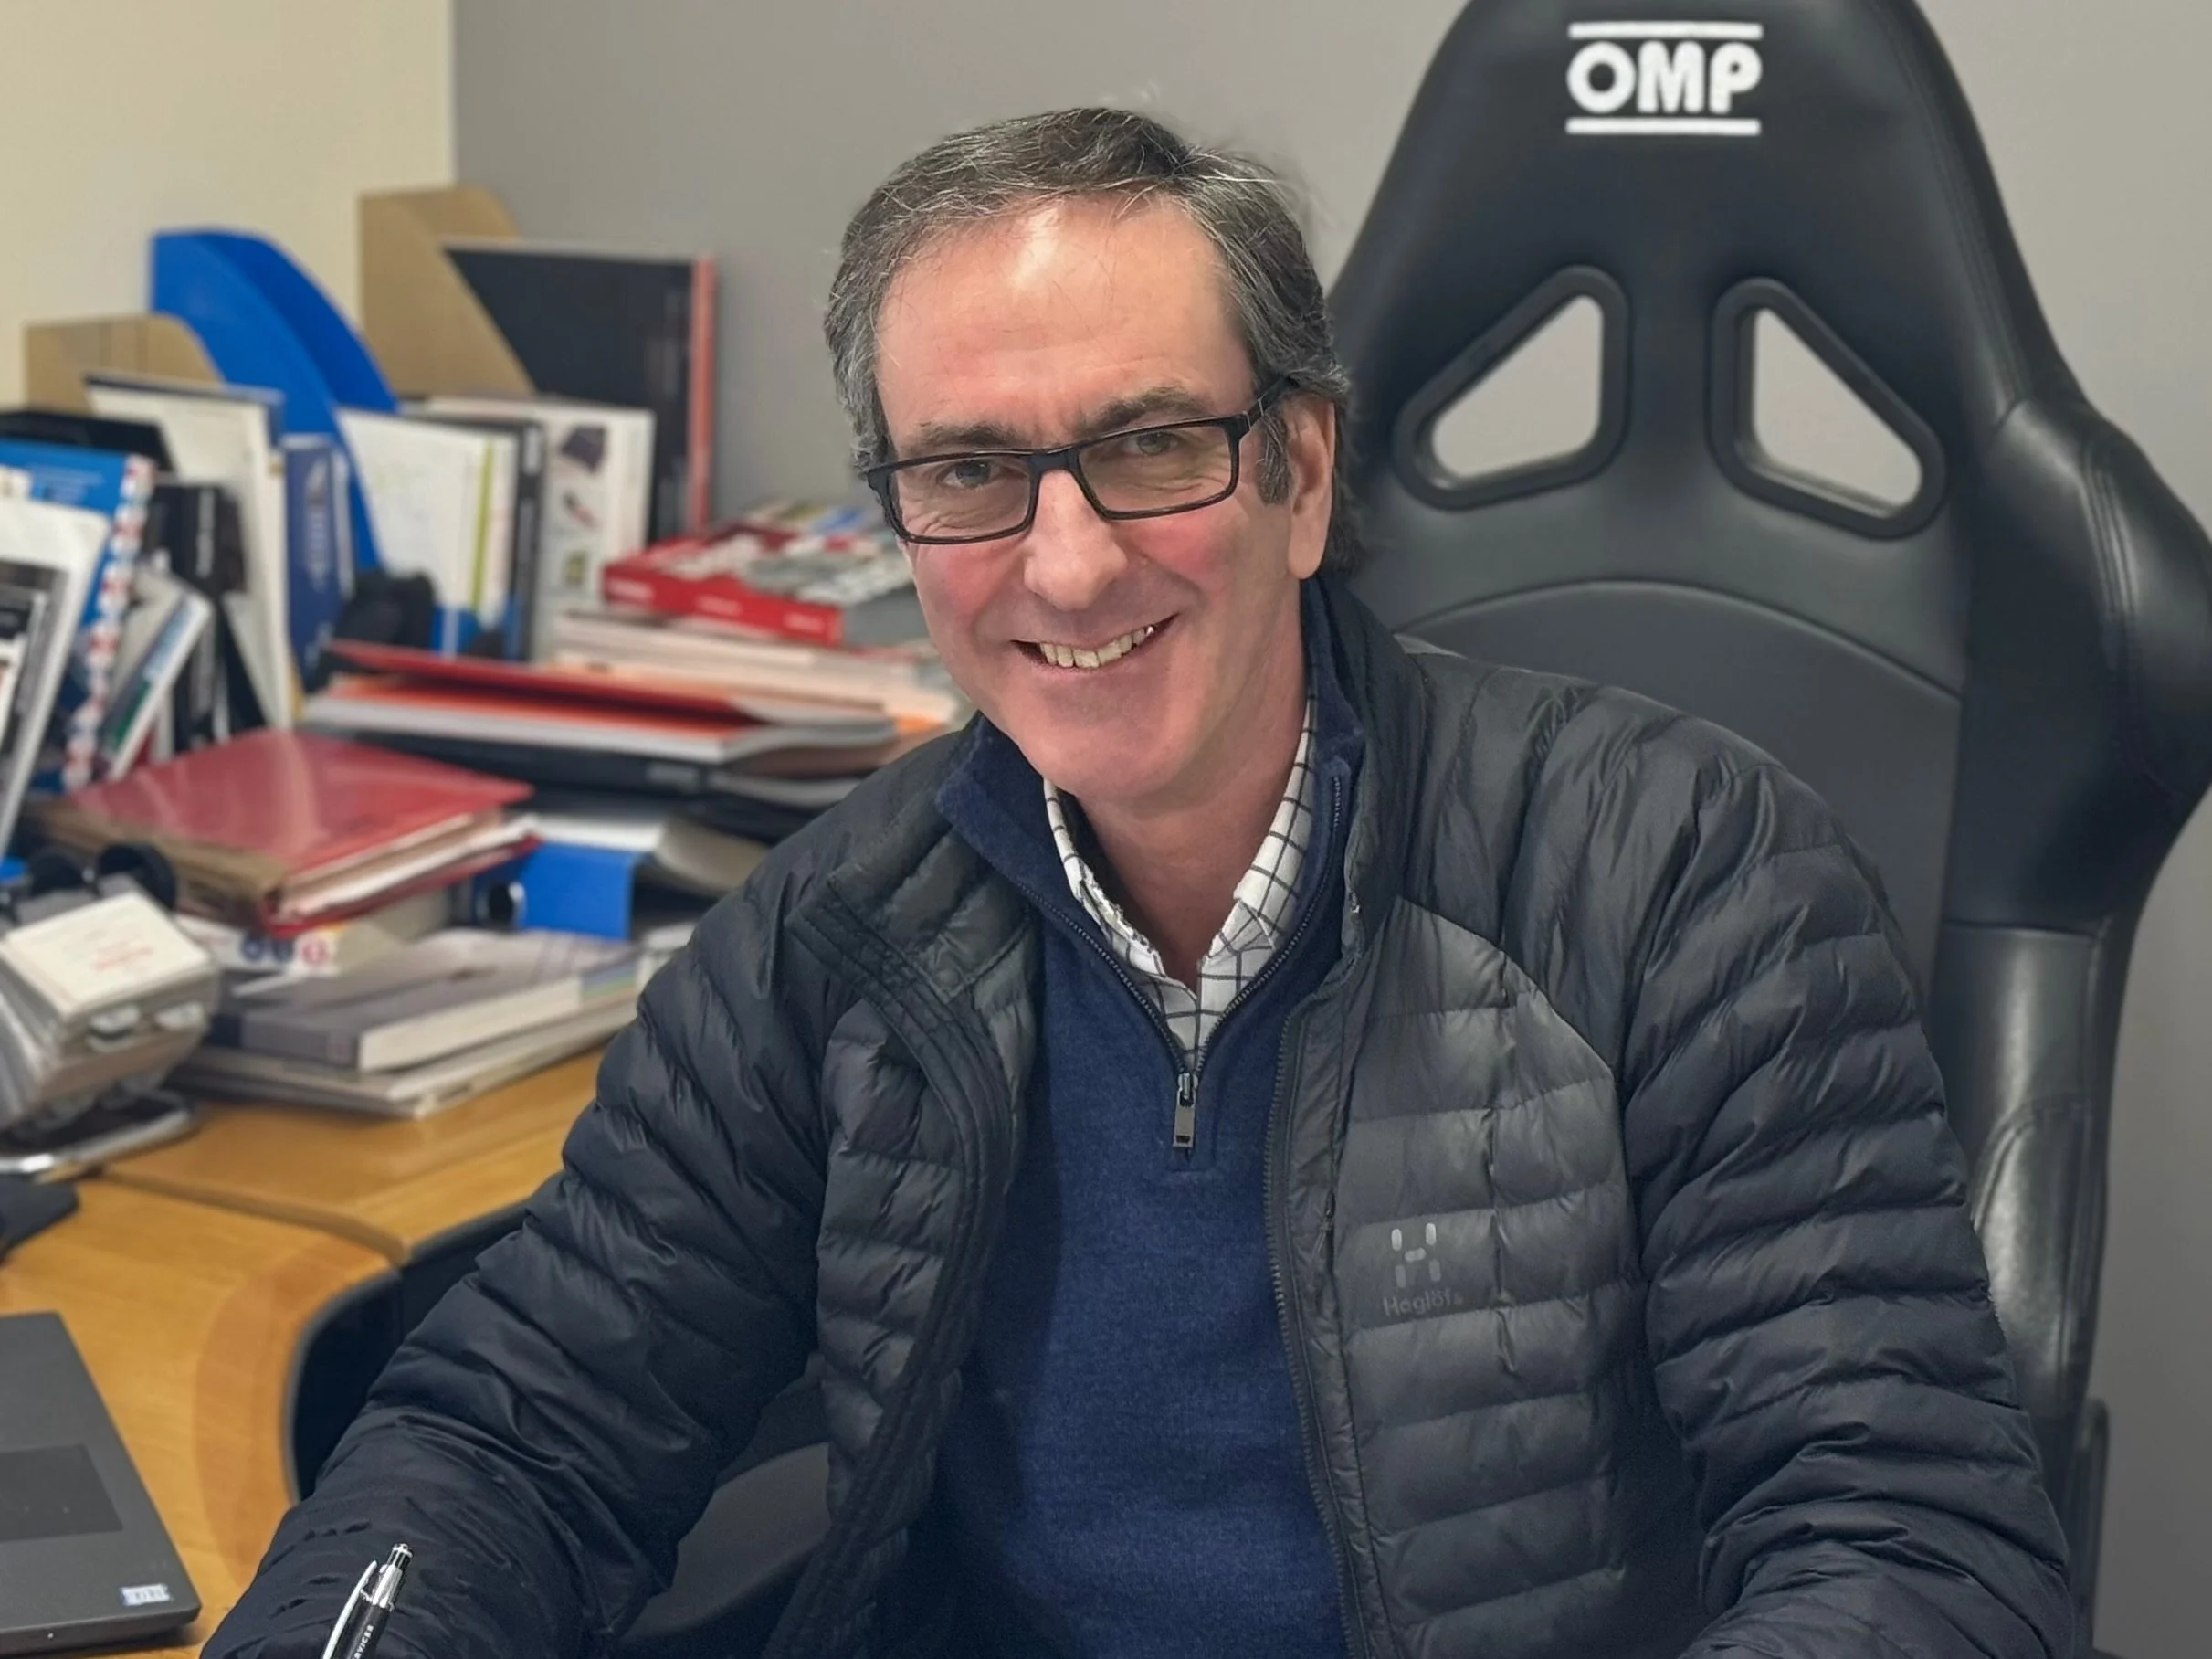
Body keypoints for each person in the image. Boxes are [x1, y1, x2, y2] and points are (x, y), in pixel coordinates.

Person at [207, 109, 2072, 1659]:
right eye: (969, 472)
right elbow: (518, 1432)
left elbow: (1909, 1544)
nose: (1068, 563)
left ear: (1300, 473)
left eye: (1149, 446)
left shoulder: (1682, 879)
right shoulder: (838, 927)